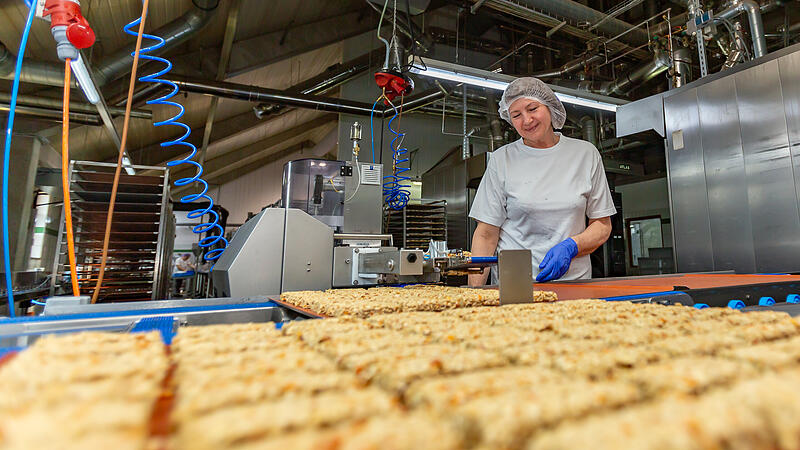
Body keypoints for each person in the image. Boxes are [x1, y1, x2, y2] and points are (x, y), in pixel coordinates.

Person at [468, 77, 616, 286]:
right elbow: (485, 235)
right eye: (516, 115)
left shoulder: (585, 154)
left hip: (574, 285)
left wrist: (573, 246)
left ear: (549, 106)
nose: (527, 120)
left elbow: (602, 224)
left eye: (532, 109)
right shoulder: (502, 160)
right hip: (515, 285)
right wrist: (474, 292)